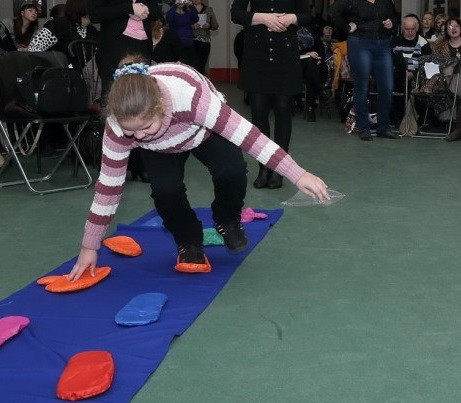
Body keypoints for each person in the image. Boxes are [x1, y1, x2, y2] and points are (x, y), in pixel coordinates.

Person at [67, 59, 330, 280]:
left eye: (145, 127)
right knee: (165, 191)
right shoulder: (118, 126)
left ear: (160, 107)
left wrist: (298, 174)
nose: (138, 137)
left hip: (202, 131)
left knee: (232, 171)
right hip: (160, 148)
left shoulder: (192, 98)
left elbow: (251, 138)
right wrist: (89, 246)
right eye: (130, 132)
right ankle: (188, 241)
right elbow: (108, 189)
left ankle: (227, 219)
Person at [231, 0, 310, 189]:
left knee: (283, 112)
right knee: (259, 114)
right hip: (257, 55)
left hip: (285, 55)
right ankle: (264, 167)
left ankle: (280, 169)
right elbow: (236, 14)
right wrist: (263, 18)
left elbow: (307, 15)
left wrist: (291, 18)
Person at [89, 0, 162, 183]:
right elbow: (95, 14)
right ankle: (109, 164)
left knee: (142, 102)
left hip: (142, 47)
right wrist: (129, 8)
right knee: (113, 104)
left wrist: (144, 10)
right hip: (114, 47)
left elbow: (157, 11)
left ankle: (140, 165)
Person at [328, 0, 398, 141]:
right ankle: (363, 127)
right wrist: (346, 27)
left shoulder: (385, 1)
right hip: (359, 42)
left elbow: (394, 18)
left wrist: (391, 24)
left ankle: (383, 127)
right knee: (362, 86)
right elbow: (332, 11)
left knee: (387, 87)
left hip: (383, 44)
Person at [27, 0, 99, 58]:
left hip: (85, 72)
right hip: (59, 70)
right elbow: (34, 49)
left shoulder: (92, 30)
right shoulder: (57, 25)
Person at [390, 14, 427, 125]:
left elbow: (426, 62)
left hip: (418, 74)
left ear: (416, 28)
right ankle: (399, 118)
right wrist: (405, 71)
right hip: (398, 73)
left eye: (412, 29)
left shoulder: (423, 42)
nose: (410, 32)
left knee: (413, 84)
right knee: (397, 82)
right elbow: (392, 60)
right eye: (407, 29)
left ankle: (414, 119)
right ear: (403, 29)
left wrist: (413, 72)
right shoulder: (395, 42)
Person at [165, 0, 198, 67]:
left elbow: (196, 19)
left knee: (190, 64)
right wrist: (175, 5)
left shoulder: (188, 11)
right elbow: (169, 19)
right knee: (176, 65)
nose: (182, 1)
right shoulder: (172, 11)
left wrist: (191, 5)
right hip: (175, 44)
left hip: (188, 43)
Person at [190, 0, 218, 75]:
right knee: (193, 63)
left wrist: (209, 25)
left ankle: (200, 78)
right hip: (192, 40)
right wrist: (192, 26)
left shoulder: (209, 9)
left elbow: (215, 25)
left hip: (205, 40)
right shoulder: (188, 10)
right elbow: (182, 24)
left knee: (202, 62)